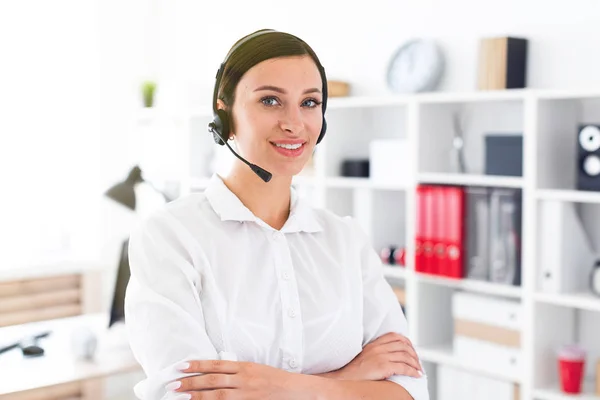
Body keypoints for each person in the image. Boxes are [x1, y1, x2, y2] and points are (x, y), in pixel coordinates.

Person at [124, 29, 429, 400]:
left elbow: (408, 391)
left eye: (310, 102)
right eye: (270, 101)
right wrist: (350, 377)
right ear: (224, 110)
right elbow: (185, 396)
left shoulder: (345, 241)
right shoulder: (170, 237)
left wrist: (273, 386)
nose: (295, 123)